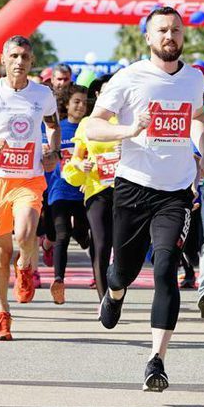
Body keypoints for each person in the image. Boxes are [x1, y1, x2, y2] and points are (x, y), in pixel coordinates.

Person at [85, 6, 204, 391]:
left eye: (175, 30)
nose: (169, 36)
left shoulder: (193, 78)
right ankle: (116, 290)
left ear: (183, 36)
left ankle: (156, 360)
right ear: (148, 37)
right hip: (133, 186)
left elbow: (199, 116)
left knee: (165, 269)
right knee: (123, 269)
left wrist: (203, 152)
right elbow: (92, 125)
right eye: (162, 31)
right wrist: (128, 129)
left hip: (175, 192)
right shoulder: (129, 78)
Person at [0, 37, 61, 340]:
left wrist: (52, 151)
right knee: (2, 251)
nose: (19, 62)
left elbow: (53, 126)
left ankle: (25, 267)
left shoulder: (42, 94)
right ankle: (2, 313)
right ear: (4, 60)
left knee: (24, 234)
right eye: (14, 56)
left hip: (28, 178)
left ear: (31, 62)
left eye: (25, 57)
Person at [62, 109, 122, 299]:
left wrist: (127, 150)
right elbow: (77, 158)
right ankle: (104, 300)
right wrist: (79, 165)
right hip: (97, 189)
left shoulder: (128, 119)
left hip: (126, 190)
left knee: (121, 247)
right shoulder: (88, 123)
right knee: (102, 243)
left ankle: (118, 293)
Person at [45, 85, 92, 304]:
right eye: (76, 101)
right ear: (66, 104)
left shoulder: (92, 130)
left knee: (82, 235)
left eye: (84, 102)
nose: (81, 106)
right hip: (60, 192)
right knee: (62, 234)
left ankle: (85, 240)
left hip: (84, 192)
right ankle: (58, 280)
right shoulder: (58, 129)